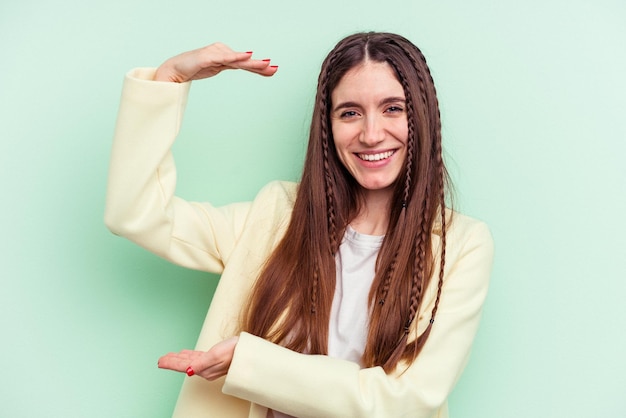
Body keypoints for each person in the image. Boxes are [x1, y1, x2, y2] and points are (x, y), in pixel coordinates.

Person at [105, 32, 494, 418]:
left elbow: (406, 402)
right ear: (328, 127)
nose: (371, 134)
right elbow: (135, 213)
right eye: (350, 113)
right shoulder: (275, 216)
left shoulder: (462, 245)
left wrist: (250, 361)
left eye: (393, 108)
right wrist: (169, 79)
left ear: (421, 116)